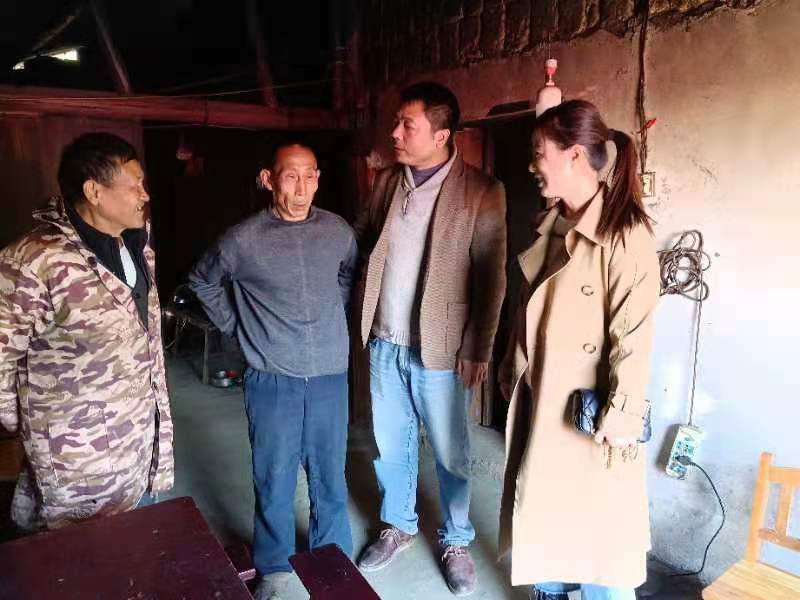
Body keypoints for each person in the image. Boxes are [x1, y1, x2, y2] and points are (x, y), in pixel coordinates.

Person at [497, 99, 660, 600]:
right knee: (545, 529)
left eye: (539, 152)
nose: (532, 164)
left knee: (599, 549)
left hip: (592, 417)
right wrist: (510, 368)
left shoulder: (625, 232)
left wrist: (624, 414)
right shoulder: (550, 224)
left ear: (573, 155)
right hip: (543, 399)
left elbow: (635, 334)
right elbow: (528, 312)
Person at [355, 82, 507, 597]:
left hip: (442, 348)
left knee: (450, 453)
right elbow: (362, 241)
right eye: (396, 123)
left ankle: (456, 540)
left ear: (441, 135)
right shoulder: (385, 183)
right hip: (385, 341)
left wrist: (479, 348)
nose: (395, 133)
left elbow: (491, 277)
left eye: (408, 125)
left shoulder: (481, 190)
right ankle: (398, 524)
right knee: (389, 445)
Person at [189, 143, 358, 600]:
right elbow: (203, 281)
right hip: (271, 377)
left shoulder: (337, 231)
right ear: (268, 179)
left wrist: (330, 311)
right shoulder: (242, 240)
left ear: (319, 179)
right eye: (290, 177)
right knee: (274, 474)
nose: (301, 189)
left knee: (329, 473)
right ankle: (275, 564)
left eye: (309, 176)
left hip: (329, 375)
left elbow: (347, 274)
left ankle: (331, 555)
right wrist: (237, 328)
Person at [0, 132, 174, 531]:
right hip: (76, 457)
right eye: (134, 185)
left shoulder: (136, 245)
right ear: (94, 192)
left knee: (135, 544)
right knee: (81, 555)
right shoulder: (35, 261)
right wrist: (27, 422)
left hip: (138, 439)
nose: (145, 195)